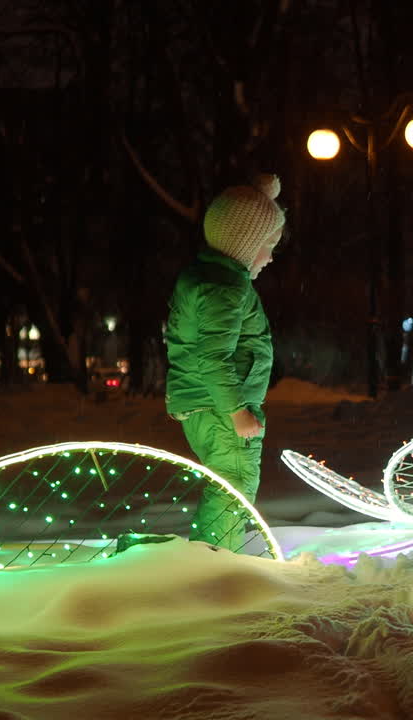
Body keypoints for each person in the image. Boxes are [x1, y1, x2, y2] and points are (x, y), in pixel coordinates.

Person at [165, 174, 284, 551]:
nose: (270, 257)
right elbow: (213, 356)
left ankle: (217, 557)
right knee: (235, 483)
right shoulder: (224, 288)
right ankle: (217, 565)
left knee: (230, 484)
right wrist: (236, 411)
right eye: (268, 246)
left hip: (206, 404)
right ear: (245, 244)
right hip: (218, 408)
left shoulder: (210, 277)